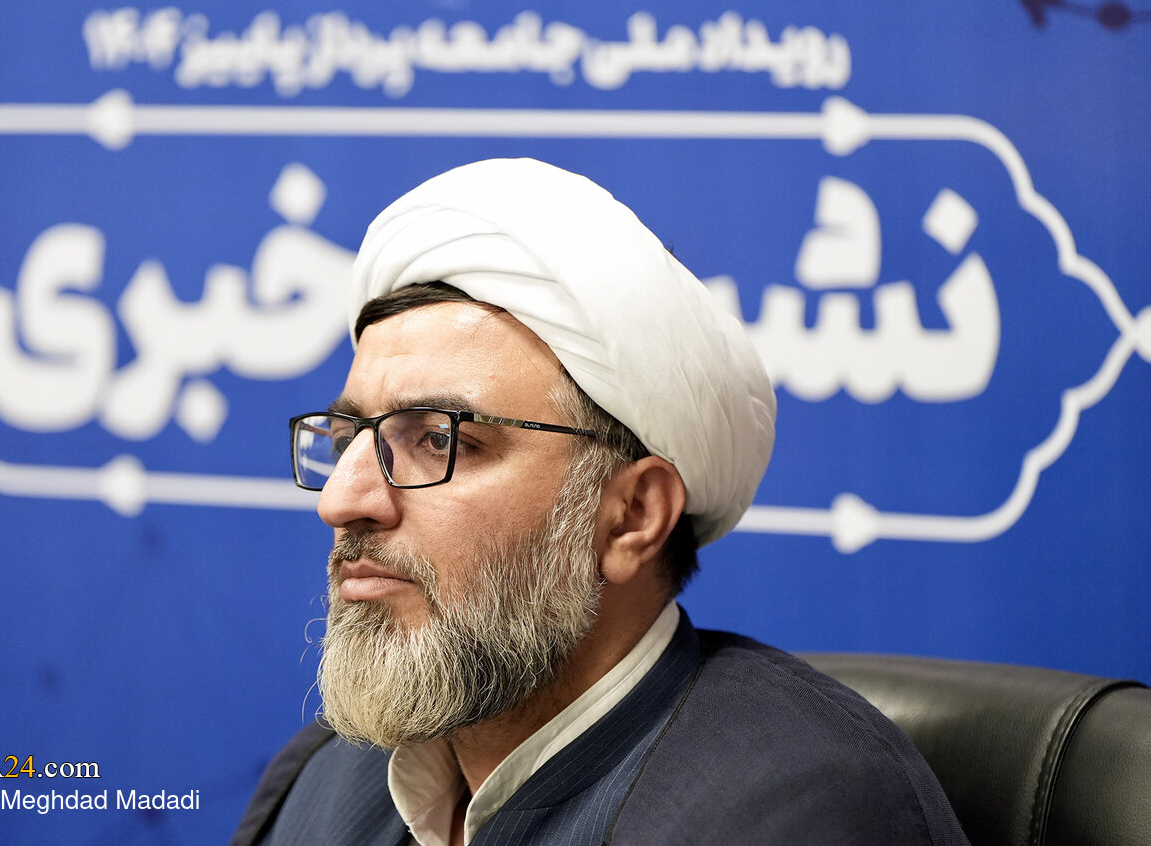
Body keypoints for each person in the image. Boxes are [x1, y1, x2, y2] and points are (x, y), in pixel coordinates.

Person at [231, 158, 968, 846]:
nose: (342, 499)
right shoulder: (325, 777)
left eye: (437, 438)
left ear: (631, 516)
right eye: (348, 438)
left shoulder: (795, 806)